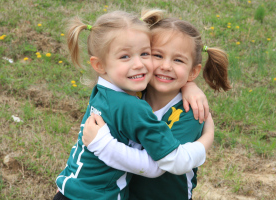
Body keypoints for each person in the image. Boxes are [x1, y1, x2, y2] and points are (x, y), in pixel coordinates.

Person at [54, 10, 216, 200]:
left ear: (192, 71)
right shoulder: (133, 97)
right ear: (100, 65)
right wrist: (209, 136)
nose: (165, 66)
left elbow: (176, 162)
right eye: (156, 55)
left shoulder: (190, 111)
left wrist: (190, 85)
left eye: (178, 60)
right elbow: (157, 166)